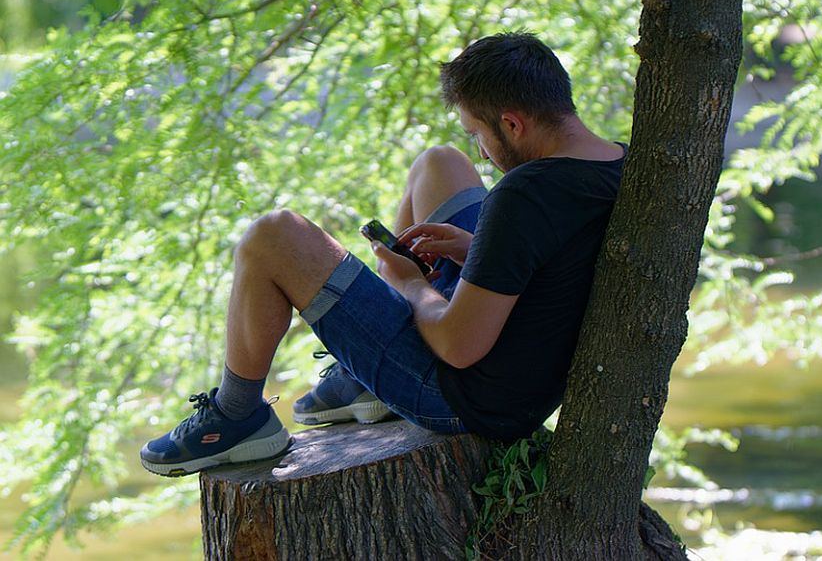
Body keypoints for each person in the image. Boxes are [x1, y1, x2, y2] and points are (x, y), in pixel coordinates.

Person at [140, 32, 627, 476]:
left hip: (466, 398)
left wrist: (407, 283)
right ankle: (366, 382)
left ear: (513, 124)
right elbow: (562, 257)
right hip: (524, 356)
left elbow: (460, 346)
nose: (480, 153)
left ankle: (237, 415)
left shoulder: (525, 194)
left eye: (478, 134)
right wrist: (482, 250)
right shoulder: (621, 163)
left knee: (274, 236)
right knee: (439, 162)